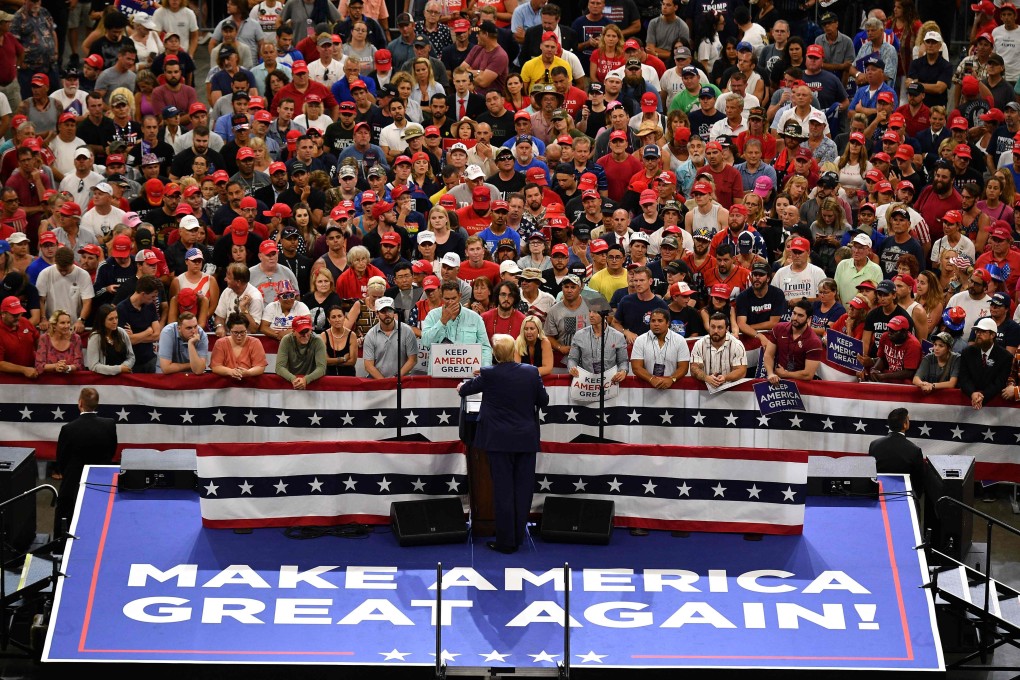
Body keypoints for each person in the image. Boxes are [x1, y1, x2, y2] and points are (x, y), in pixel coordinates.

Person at [457, 333, 549, 555]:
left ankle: (506, 542)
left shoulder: (489, 373)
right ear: (514, 351)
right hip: (525, 440)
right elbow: (543, 401)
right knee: (523, 490)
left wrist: (461, 385)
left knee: (504, 490)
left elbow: (465, 389)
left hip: (498, 441)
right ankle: (518, 536)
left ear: (495, 356)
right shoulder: (531, 372)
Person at [54, 387, 117, 533]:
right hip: (101, 481)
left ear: (80, 403)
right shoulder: (109, 424)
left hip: (73, 482)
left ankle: (60, 548)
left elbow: (61, 459)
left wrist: (67, 473)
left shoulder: (68, 429)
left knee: (66, 513)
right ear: (97, 403)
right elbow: (112, 450)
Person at [420, 281, 494, 371]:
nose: (450, 302)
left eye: (453, 298)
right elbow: (426, 342)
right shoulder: (433, 315)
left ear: (460, 296)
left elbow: (485, 347)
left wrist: (484, 368)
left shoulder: (475, 318)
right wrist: (442, 321)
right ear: (441, 297)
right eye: (447, 299)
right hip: (439, 374)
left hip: (468, 374)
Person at [761, 299, 822, 384]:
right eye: (794, 313)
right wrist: (771, 374)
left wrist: (785, 374)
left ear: (809, 319)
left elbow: (808, 374)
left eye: (800, 315)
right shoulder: (779, 328)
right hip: (778, 380)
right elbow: (768, 355)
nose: (795, 318)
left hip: (801, 385)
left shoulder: (814, 341)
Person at [958, 317, 1012, 410]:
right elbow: (964, 378)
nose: (978, 334)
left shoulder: (1005, 357)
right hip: (969, 399)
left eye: (983, 331)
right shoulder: (967, 352)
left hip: (993, 405)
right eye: (977, 331)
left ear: (992, 335)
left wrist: (983, 396)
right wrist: (972, 393)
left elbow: (999, 382)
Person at [868, 407, 924, 494]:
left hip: (878, 493)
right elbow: (918, 482)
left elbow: (871, 473)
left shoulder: (874, 445)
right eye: (908, 420)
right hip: (904, 495)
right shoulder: (914, 450)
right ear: (905, 425)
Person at [631, 308, 690, 389]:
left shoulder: (680, 340)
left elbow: (684, 368)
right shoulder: (640, 340)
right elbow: (636, 367)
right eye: (653, 321)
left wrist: (671, 379)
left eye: (660, 321)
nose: (656, 324)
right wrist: (651, 379)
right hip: (647, 389)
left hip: (674, 389)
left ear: (668, 323)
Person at [363, 296, 419, 379]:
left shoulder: (407, 331)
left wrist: (396, 378)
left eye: (390, 310)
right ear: (377, 313)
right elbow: (368, 365)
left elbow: (412, 359)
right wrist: (385, 383)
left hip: (402, 381)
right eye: (383, 311)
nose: (387, 314)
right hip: (378, 383)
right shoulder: (370, 335)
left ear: (394, 311)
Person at [690, 312, 748, 388]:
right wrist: (706, 377)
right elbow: (694, 368)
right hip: (705, 390)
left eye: (720, 327)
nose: (715, 331)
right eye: (713, 327)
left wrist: (725, 378)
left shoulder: (737, 345)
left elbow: (741, 371)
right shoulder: (699, 344)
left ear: (727, 329)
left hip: (731, 390)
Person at [210, 311, 268, 381]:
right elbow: (216, 366)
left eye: (242, 332)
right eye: (236, 332)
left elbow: (260, 366)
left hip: (250, 385)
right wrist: (230, 371)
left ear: (247, 330)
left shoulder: (255, 342)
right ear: (229, 331)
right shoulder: (220, 343)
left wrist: (248, 372)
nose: (239, 336)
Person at [274, 314, 326, 390]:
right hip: (290, 384)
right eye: (301, 332)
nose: (305, 335)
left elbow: (322, 368)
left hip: (313, 384)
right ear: (294, 331)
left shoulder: (318, 341)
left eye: (307, 331)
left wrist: (306, 379)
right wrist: (293, 379)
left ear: (311, 330)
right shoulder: (286, 340)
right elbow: (279, 367)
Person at [86, 303, 134, 375]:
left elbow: (131, 357)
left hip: (124, 377)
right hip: (105, 381)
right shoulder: (95, 337)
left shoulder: (121, 332)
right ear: (102, 320)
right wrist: (119, 369)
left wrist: (124, 367)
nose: (115, 322)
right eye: (111, 319)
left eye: (116, 318)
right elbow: (93, 366)